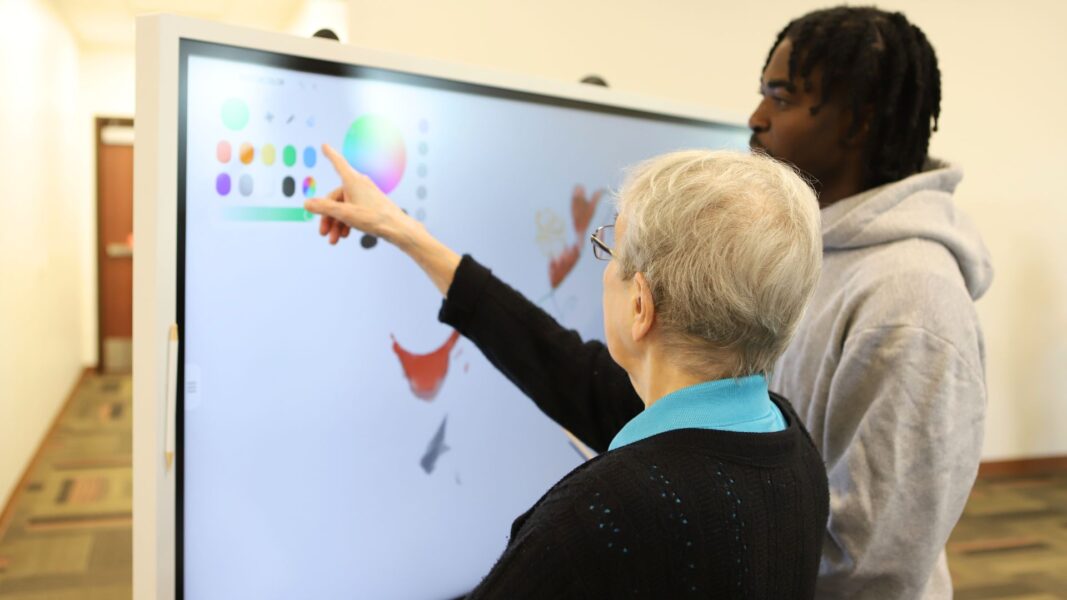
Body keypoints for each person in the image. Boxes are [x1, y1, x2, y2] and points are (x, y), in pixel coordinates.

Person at [307, 146, 829, 597]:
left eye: (610, 251)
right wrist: (406, 232)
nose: (605, 268)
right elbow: (561, 365)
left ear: (640, 306)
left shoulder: (600, 516)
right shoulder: (790, 449)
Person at [749, 7, 993, 598]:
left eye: (781, 98)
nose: (755, 118)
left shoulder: (912, 301)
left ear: (858, 122)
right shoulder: (808, 251)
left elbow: (872, 563)